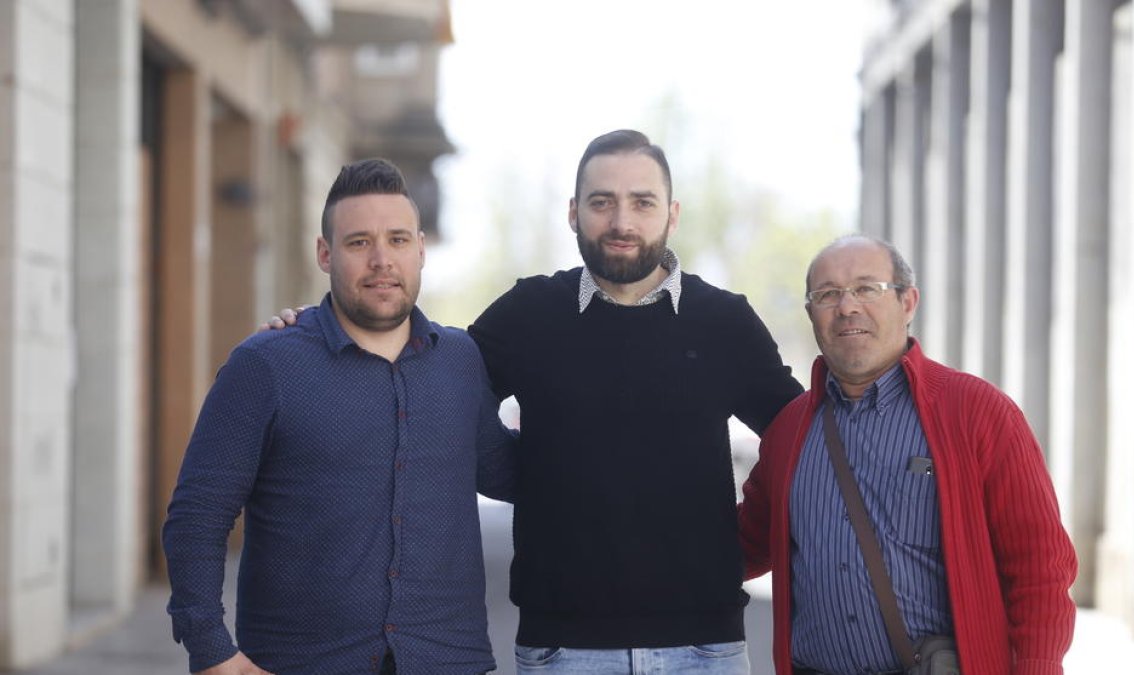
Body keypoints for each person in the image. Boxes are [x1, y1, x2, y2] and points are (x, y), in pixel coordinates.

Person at [468, 129, 804, 674]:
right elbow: (432, 391)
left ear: (671, 215)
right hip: (561, 652)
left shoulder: (724, 322)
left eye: (642, 202)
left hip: (706, 650)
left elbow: (803, 441)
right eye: (602, 202)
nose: (622, 221)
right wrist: (306, 333)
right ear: (574, 213)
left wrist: (749, 538)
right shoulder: (528, 314)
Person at [163, 158, 515, 675]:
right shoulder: (266, 365)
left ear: (420, 249)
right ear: (325, 254)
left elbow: (507, 473)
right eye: (358, 242)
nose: (381, 260)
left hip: (450, 660)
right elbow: (198, 515)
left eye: (397, 240)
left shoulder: (460, 362)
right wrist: (211, 650)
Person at [738, 234, 1077, 675]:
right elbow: (742, 546)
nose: (847, 307)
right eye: (828, 295)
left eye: (867, 288)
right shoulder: (788, 431)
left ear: (908, 302)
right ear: (811, 314)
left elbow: (1040, 568)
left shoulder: (977, 413)